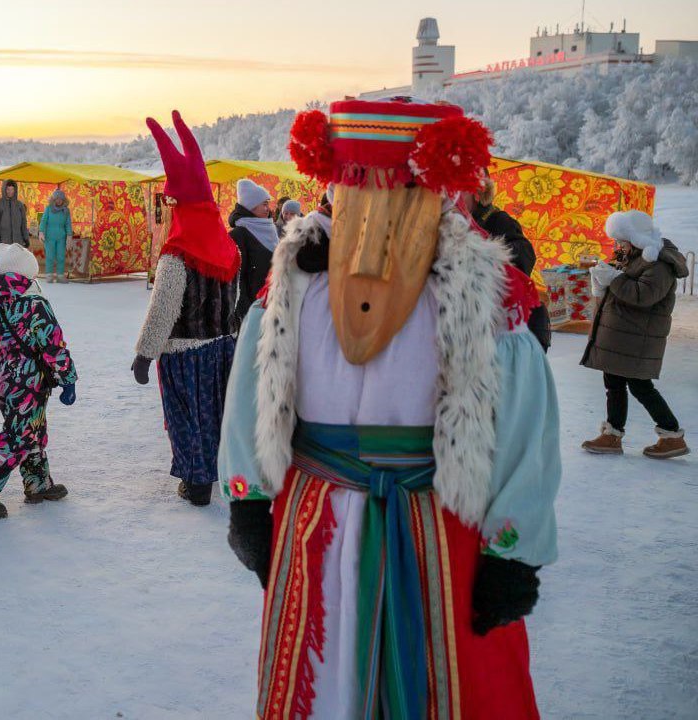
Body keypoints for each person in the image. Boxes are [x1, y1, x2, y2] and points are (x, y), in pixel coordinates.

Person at [221, 98, 560, 718]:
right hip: (316, 523)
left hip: (437, 527)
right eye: (357, 186)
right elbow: (256, 390)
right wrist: (247, 498)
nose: (377, 207)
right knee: (322, 681)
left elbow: (521, 430)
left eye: (398, 188)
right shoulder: (295, 284)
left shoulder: (483, 295)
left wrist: (513, 550)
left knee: (450, 682)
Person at [131, 112, 239, 507]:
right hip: (222, 348)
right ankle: (218, 473)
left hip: (183, 352)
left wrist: (145, 353)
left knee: (188, 418)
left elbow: (163, 309)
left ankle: (196, 484)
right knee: (217, 415)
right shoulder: (229, 247)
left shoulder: (176, 257)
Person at [0, 244, 78, 518]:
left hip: (7, 378)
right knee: (19, 436)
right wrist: (68, 378)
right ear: (27, 275)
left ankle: (37, 484)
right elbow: (54, 345)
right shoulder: (35, 304)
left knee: (31, 432)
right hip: (30, 381)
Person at [580, 209, 689, 458]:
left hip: (637, 338)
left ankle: (672, 435)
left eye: (621, 241)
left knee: (640, 387)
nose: (618, 246)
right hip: (623, 336)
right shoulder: (631, 255)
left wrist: (613, 279)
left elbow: (643, 295)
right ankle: (612, 435)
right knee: (614, 383)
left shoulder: (659, 264)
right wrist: (601, 282)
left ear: (637, 239)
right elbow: (618, 281)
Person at [471, 177, 552, 351]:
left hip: (504, 326)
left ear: (477, 194)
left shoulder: (497, 219)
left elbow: (525, 253)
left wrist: (487, 253)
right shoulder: (460, 220)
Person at [228, 178, 277, 326]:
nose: (267, 208)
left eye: (267, 204)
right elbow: (237, 276)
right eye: (264, 204)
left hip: (272, 301)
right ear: (251, 207)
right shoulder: (238, 234)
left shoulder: (270, 228)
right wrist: (244, 308)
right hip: (252, 306)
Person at [38, 189, 73, 283]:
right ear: (53, 199)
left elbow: (68, 224)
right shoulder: (49, 208)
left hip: (61, 236)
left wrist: (69, 236)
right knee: (50, 256)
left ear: (63, 200)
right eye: (57, 199)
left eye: (61, 199)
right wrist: (41, 232)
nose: (59, 201)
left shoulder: (66, 210)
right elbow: (43, 221)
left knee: (61, 256)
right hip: (49, 237)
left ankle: (60, 275)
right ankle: (49, 275)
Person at [0, 179, 29, 248]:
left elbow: (23, 223)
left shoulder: (19, 205)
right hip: (3, 242)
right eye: (8, 189)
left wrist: (26, 238)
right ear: (4, 190)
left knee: (17, 258)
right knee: (5, 259)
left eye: (12, 189)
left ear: (15, 190)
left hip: (18, 241)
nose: (10, 192)